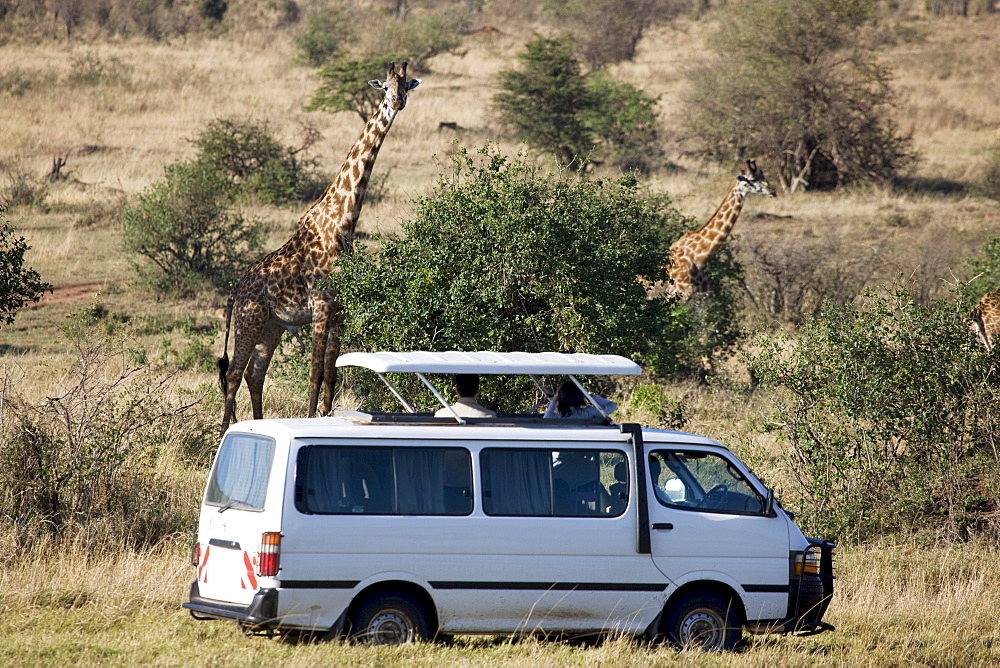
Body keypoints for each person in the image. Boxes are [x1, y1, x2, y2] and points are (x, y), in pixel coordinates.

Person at [543, 381, 616, 419]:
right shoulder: (587, 413)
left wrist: (555, 398)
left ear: (559, 398)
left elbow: (546, 418)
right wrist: (589, 396)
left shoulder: (555, 418)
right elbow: (612, 406)